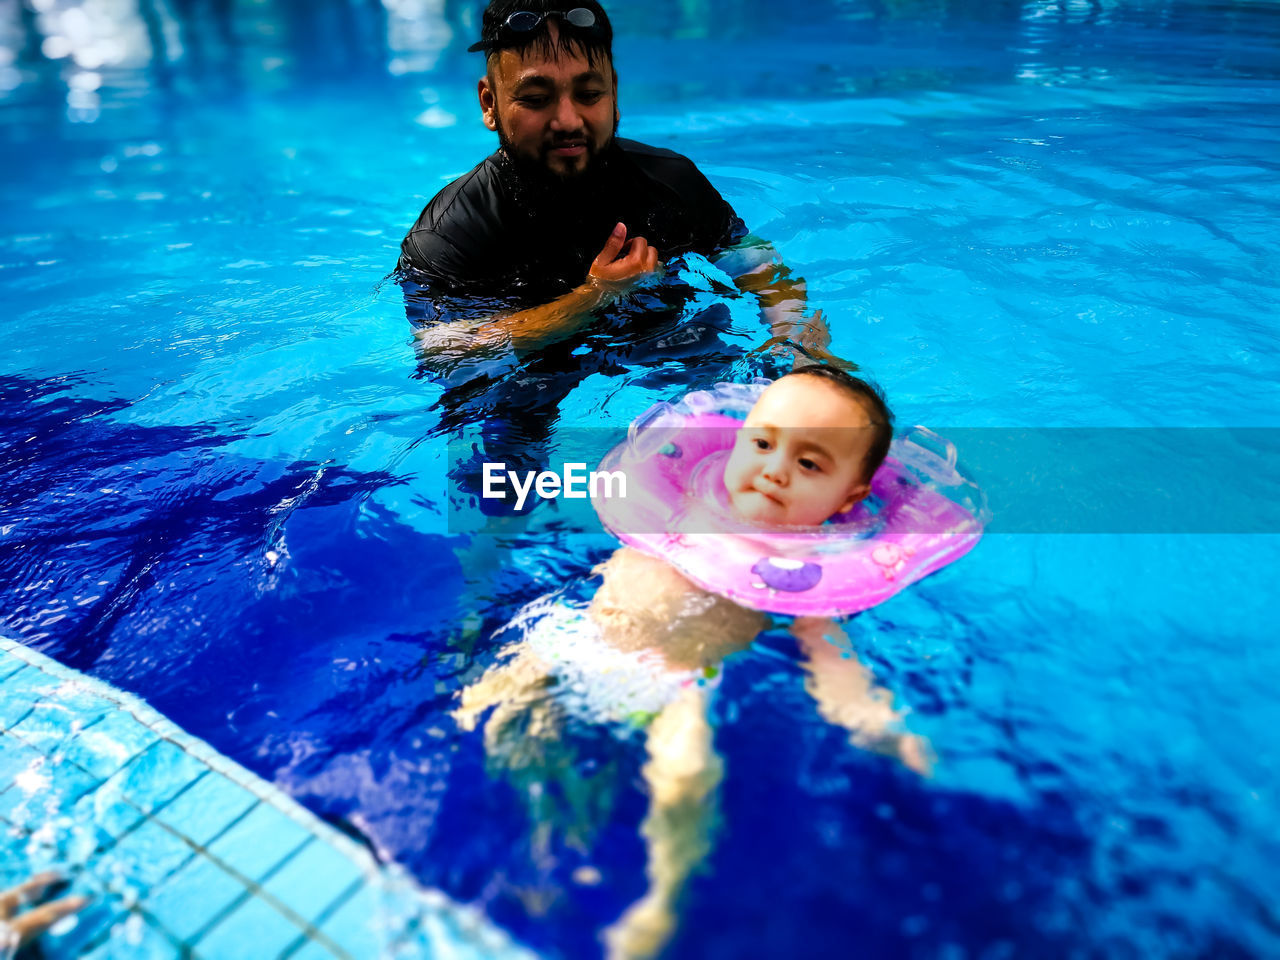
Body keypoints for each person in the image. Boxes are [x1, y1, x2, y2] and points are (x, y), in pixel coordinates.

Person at [454, 368, 930, 960]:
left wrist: (874, 722)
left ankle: (661, 898)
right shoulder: (676, 501)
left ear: (851, 498)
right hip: (576, 633)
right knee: (483, 712)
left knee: (685, 777)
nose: (774, 469)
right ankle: (506, 834)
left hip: (678, 680)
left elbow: (830, 657)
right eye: (762, 443)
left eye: (809, 464)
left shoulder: (810, 575)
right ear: (736, 442)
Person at [398, 0, 835, 371]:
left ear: (615, 95)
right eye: (535, 99)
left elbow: (757, 263)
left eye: (589, 95)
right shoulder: (450, 234)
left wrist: (795, 346)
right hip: (525, 374)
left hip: (661, 340)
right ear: (490, 104)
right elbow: (444, 353)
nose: (568, 120)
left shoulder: (671, 182)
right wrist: (595, 296)